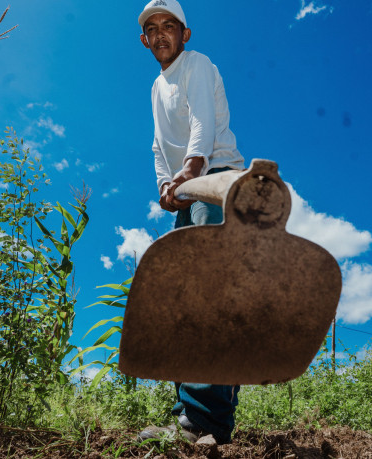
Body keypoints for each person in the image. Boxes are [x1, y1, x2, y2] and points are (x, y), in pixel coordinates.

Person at [135, 0, 245, 446]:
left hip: (215, 180)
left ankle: (206, 422)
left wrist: (192, 165)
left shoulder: (197, 64)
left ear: (186, 34)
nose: (161, 34)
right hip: (186, 190)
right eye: (153, 29)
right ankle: (190, 415)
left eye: (170, 26)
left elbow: (202, 120)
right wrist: (166, 182)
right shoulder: (156, 87)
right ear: (145, 40)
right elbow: (160, 145)